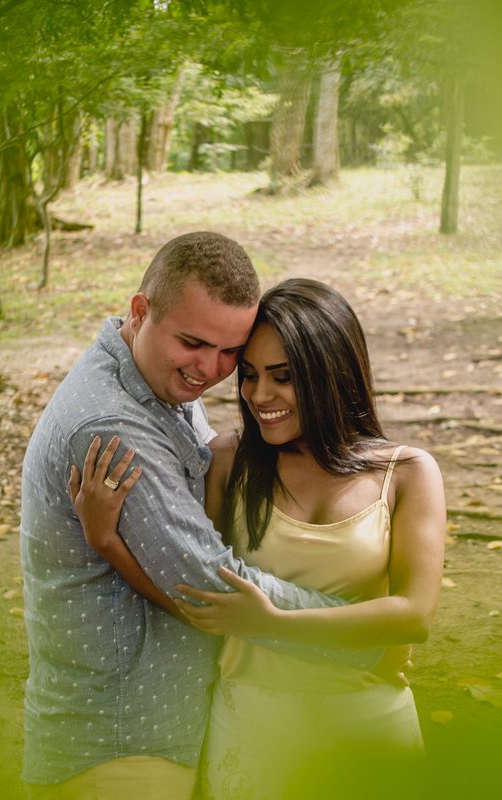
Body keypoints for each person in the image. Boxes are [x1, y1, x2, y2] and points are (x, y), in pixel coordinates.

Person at [20, 233, 385, 800]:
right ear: (140, 311)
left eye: (228, 352)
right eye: (193, 343)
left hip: (157, 730)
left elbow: (211, 472)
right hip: (121, 741)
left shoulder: (157, 380)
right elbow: (206, 585)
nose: (209, 370)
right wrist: (362, 633)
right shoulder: (113, 427)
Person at [71, 278, 445, 799]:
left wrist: (274, 622)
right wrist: (106, 541)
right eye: (249, 375)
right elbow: (194, 596)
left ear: (331, 373)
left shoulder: (407, 473)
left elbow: (413, 616)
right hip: (252, 729)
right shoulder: (227, 461)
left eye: (283, 377)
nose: (259, 395)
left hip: (369, 726)